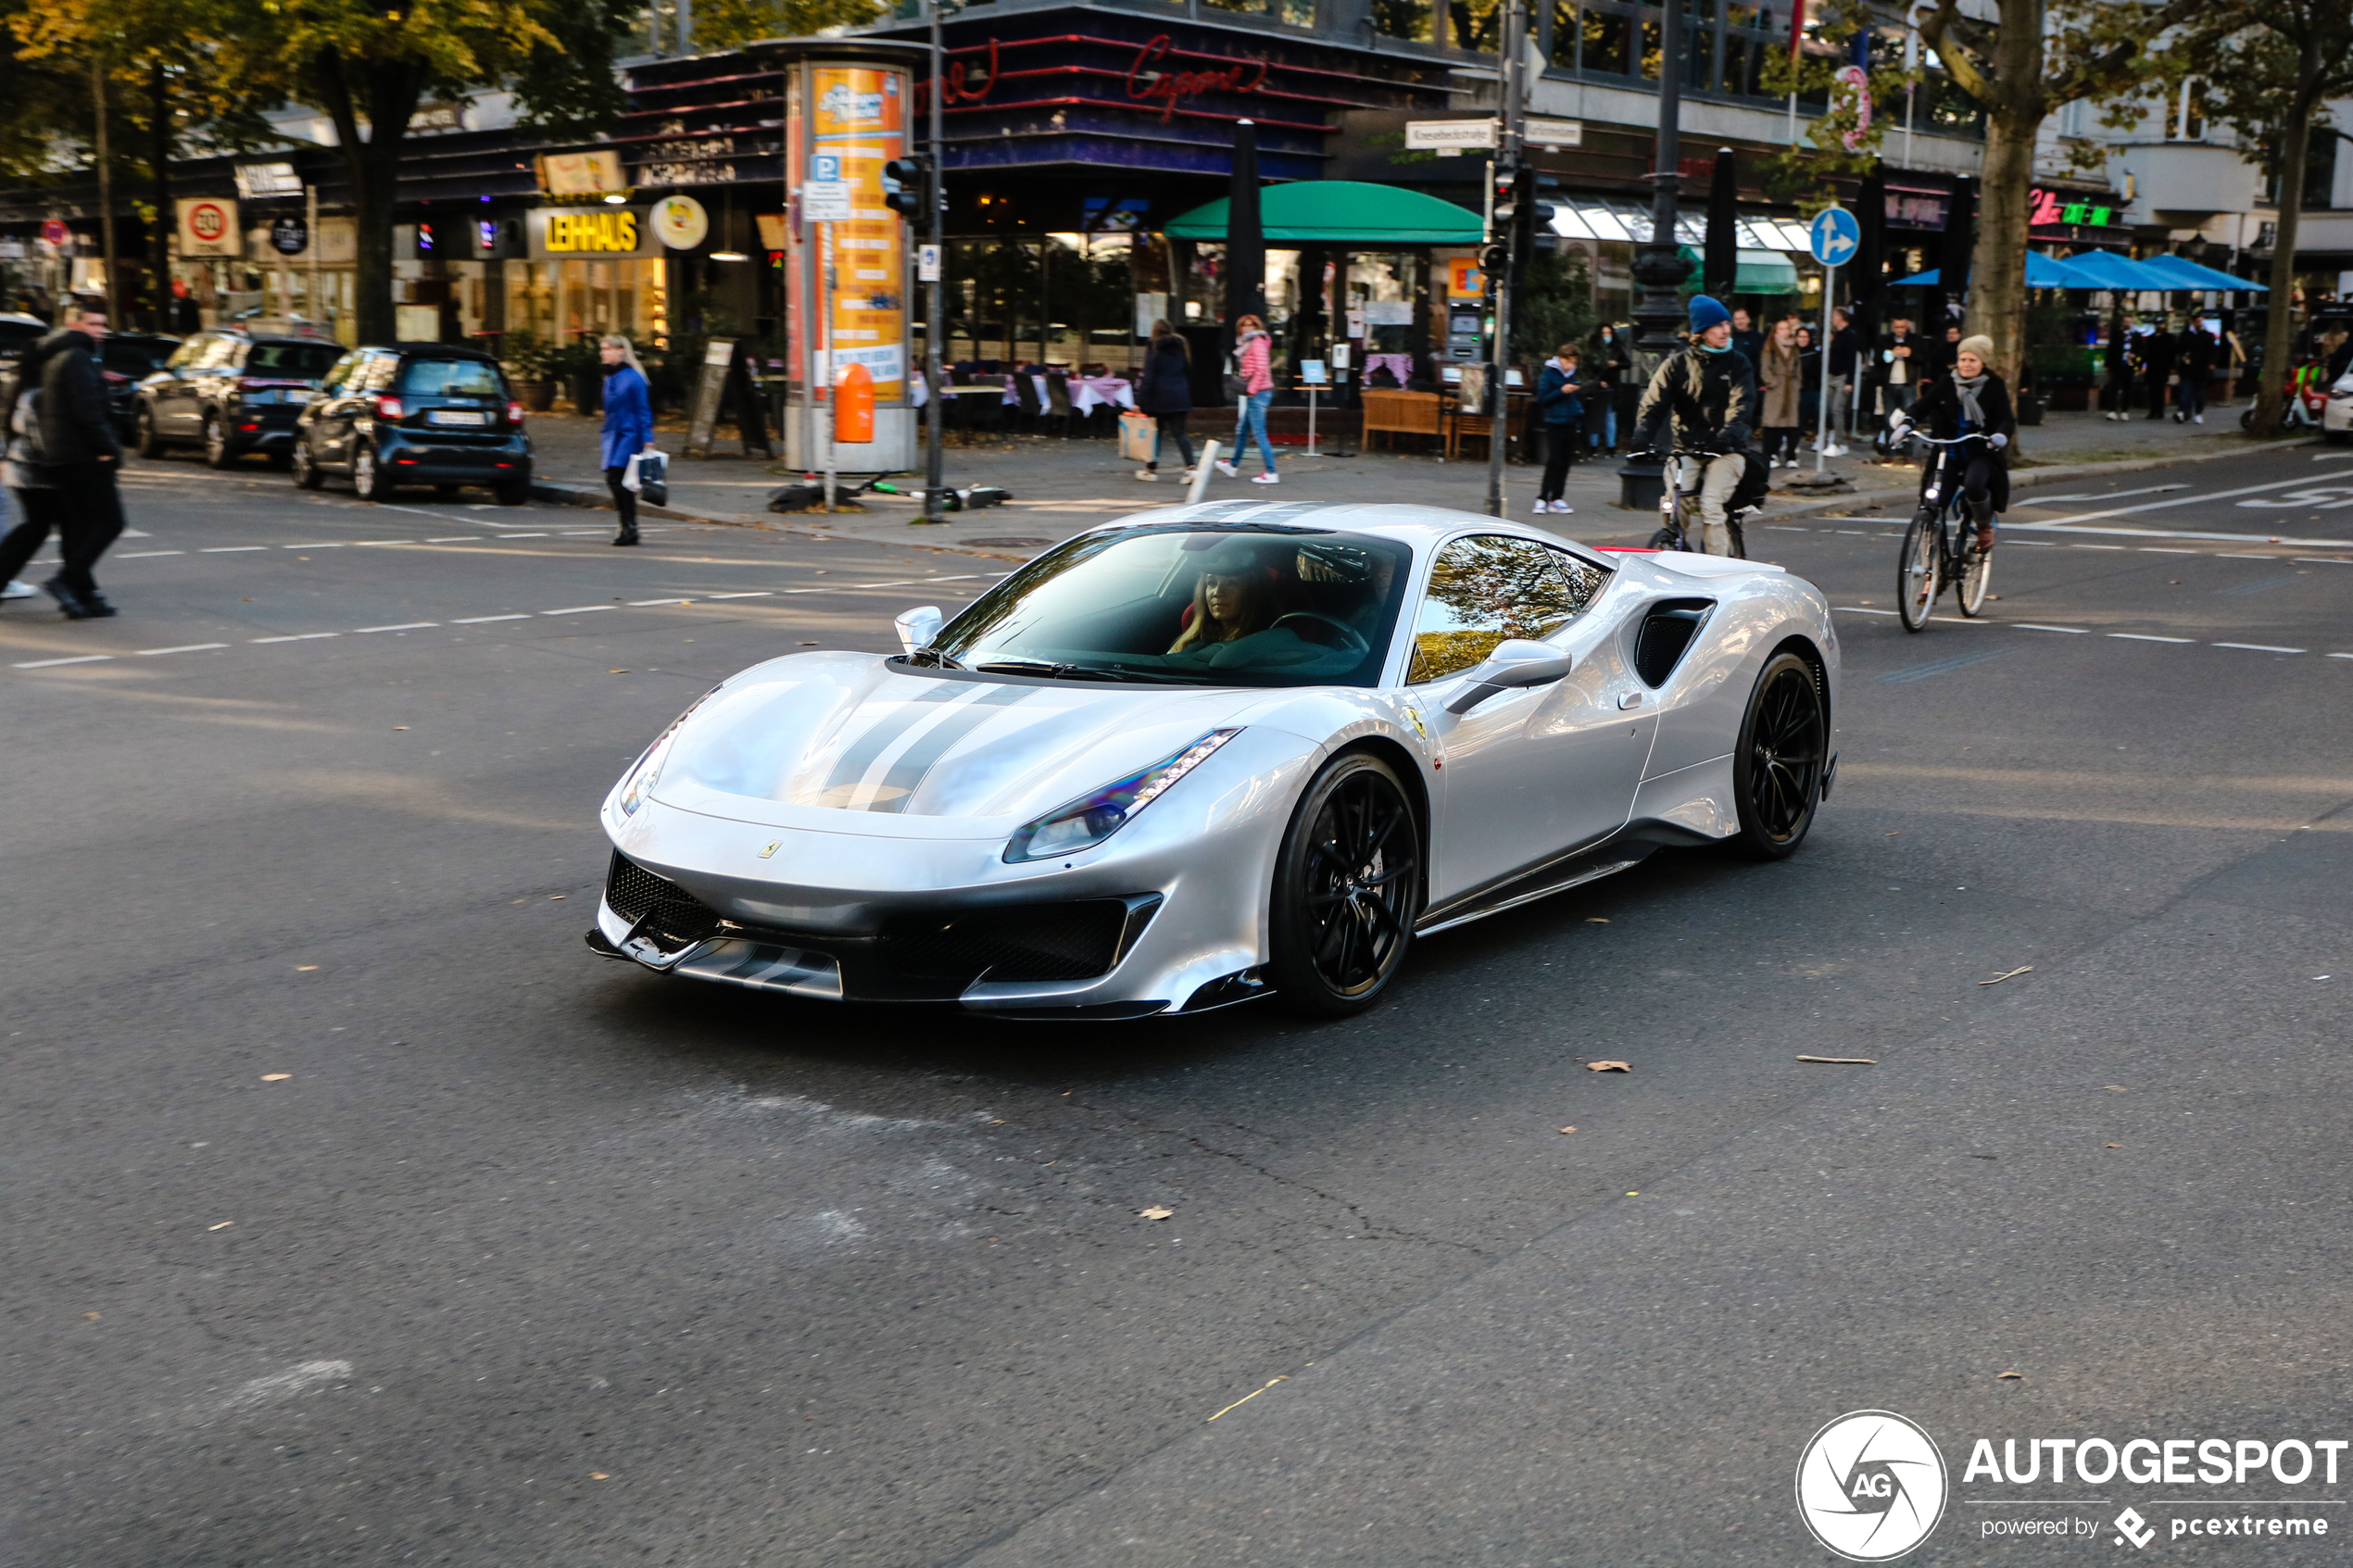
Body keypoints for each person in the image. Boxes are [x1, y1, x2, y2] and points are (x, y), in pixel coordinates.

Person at [3, 302, 126, 618]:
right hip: (41, 463)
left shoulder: (52, 359)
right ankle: (73, 586)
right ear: (73, 326)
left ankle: (81, 593)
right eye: (93, 324)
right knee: (74, 524)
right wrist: (108, 449)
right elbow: (83, 412)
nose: (100, 332)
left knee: (61, 526)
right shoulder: (67, 360)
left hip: (42, 460)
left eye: (102, 325)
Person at [1631, 294, 1757, 557]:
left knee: (1711, 505)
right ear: (1700, 332)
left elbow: (1742, 407)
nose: (1726, 330)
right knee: (1674, 504)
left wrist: (1727, 436)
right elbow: (1653, 404)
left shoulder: (1738, 363)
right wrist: (1641, 438)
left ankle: (1718, 570)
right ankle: (1675, 552)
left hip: (1727, 450)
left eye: (1727, 324)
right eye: (1718, 325)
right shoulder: (1676, 365)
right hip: (1686, 448)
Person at [1890, 332, 2013, 551]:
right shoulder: (1947, 382)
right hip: (1949, 453)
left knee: (1975, 486)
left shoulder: (1993, 386)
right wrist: (1907, 424)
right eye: (1963, 359)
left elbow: (2006, 419)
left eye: (1972, 360)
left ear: (1982, 363)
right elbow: (1922, 406)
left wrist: (2001, 435)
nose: (1966, 365)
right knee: (1932, 503)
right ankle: (1930, 563)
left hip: (1980, 452)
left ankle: (1984, 528)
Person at [597, 335, 655, 546]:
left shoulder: (634, 378)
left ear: (621, 351)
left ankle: (629, 526)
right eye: (602, 349)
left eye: (606, 349)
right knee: (618, 480)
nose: (603, 352)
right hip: (612, 434)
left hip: (630, 434)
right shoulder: (610, 377)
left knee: (617, 479)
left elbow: (643, 410)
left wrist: (648, 439)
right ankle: (629, 526)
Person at [1214, 313, 1278, 484]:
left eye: (1251, 325)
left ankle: (1271, 472)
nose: (1247, 328)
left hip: (1258, 392)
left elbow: (1261, 369)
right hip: (1258, 392)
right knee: (1242, 430)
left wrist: (1251, 388)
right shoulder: (1248, 343)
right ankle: (1233, 465)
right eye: (1244, 325)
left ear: (1257, 327)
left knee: (1259, 433)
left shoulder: (1257, 342)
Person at [1168, 550, 1277, 651]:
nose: (1217, 592)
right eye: (1212, 583)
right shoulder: (1188, 643)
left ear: (1253, 591)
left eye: (1231, 583)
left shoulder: (1269, 645)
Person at [1133, 320, 1194, 482]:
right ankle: (1191, 468)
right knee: (1180, 434)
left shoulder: (1154, 348)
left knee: (1155, 434)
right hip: (1180, 395)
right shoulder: (1182, 347)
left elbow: (1149, 377)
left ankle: (1150, 470)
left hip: (1158, 397)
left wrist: (1139, 400)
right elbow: (1187, 372)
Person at [1533, 342, 1587, 515]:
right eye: (1569, 361)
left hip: (1570, 421)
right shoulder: (1549, 375)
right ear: (1561, 359)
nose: (1571, 365)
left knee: (1565, 461)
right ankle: (1542, 497)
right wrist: (1561, 391)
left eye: (1574, 362)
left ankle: (1556, 497)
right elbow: (1542, 398)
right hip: (1554, 421)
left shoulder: (1571, 375)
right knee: (1554, 460)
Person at [1757, 316, 1803, 467]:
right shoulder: (1770, 347)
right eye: (1781, 329)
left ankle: (1791, 456)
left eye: (1786, 328)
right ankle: (1770, 454)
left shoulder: (1794, 346)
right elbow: (1765, 369)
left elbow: (1798, 366)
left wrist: (1797, 383)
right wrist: (1773, 382)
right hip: (1776, 389)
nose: (1785, 331)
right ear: (1776, 331)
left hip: (1791, 388)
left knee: (1792, 423)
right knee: (1772, 423)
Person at [1588, 323, 1630, 454]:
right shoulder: (1594, 350)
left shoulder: (1617, 349)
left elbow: (1627, 363)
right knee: (1596, 415)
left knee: (1610, 416)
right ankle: (1593, 446)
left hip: (1613, 385)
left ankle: (1610, 446)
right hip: (1598, 384)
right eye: (1604, 333)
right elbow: (1589, 366)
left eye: (1609, 333)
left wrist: (1617, 364)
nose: (1607, 336)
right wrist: (1598, 381)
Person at [1820, 306, 1858, 455]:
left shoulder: (1850, 335)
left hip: (1842, 376)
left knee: (1837, 409)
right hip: (1831, 375)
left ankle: (1839, 442)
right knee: (1829, 408)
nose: (1832, 319)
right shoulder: (1835, 334)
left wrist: (1850, 381)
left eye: (1834, 316)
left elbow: (1851, 360)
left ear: (1841, 318)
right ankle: (1833, 438)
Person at [1874, 315, 1920, 417]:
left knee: (1908, 415)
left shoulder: (1915, 340)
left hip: (1907, 384)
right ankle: (1890, 433)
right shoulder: (1884, 340)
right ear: (1892, 327)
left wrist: (1910, 354)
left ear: (1907, 327)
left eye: (1903, 327)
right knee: (1889, 417)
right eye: (1897, 327)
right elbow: (1877, 360)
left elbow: (1922, 359)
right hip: (1889, 384)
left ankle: (1905, 433)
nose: (1900, 330)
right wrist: (1892, 354)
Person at [2174, 322, 2215, 423]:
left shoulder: (2207, 336)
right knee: (2185, 393)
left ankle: (2198, 413)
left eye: (2201, 322)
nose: (2200, 324)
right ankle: (2182, 412)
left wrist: (2212, 362)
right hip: (2188, 369)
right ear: (2193, 322)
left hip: (2201, 370)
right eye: (2198, 321)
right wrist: (2183, 357)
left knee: (2200, 395)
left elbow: (2213, 351)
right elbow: (2179, 350)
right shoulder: (2186, 335)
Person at [2141, 320, 2176, 420]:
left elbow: (2172, 353)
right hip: (2152, 367)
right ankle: (2152, 411)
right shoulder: (2150, 338)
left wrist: (2173, 367)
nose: (2159, 326)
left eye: (2161, 324)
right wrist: (2140, 367)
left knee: (2160, 390)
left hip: (2163, 367)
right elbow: (2146, 354)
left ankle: (2160, 411)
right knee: (2152, 390)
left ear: (2164, 325)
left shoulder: (2169, 338)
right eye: (2157, 324)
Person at [1794, 323, 1822, 447]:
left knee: (1817, 415)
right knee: (1797, 418)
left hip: (1812, 389)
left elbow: (1816, 372)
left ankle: (1818, 438)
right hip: (1797, 389)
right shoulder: (1791, 352)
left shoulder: (1814, 353)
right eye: (1801, 336)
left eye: (1806, 337)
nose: (1803, 339)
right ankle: (1792, 442)